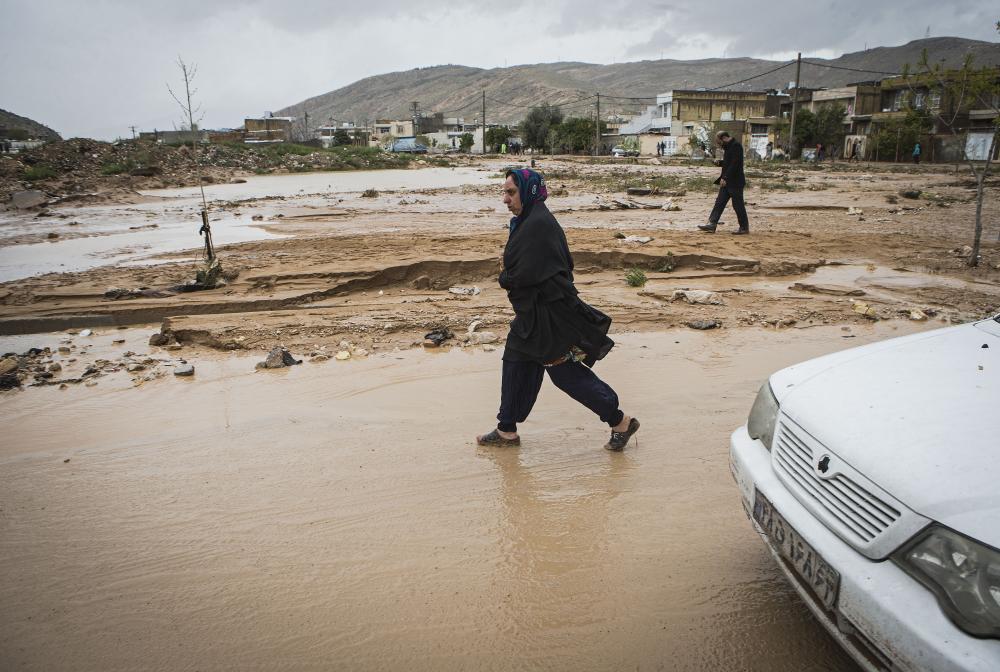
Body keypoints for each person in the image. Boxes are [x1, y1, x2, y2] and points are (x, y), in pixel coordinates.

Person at [476, 168, 640, 452]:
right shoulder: (530, 220)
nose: (505, 199)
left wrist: (504, 273)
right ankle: (506, 430)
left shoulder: (537, 225)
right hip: (533, 315)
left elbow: (523, 276)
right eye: (504, 192)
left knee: (566, 375)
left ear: (528, 191)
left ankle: (620, 421)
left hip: (547, 318)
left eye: (511, 192)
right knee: (515, 362)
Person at [698, 131, 749, 235]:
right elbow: (729, 163)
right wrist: (720, 163)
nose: (719, 145)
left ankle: (744, 227)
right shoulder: (729, 147)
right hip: (727, 183)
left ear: (724, 138)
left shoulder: (736, 146)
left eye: (719, 142)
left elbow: (735, 164)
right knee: (719, 203)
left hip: (735, 182)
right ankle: (712, 224)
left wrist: (725, 177)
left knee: (738, 205)